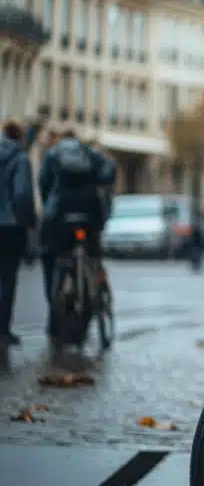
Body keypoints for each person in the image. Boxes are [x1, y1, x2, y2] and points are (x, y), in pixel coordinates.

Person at [38, 127, 117, 336]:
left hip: (62, 211)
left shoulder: (52, 154)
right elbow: (109, 171)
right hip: (88, 208)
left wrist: (49, 209)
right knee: (93, 252)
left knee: (53, 259)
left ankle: (55, 314)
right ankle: (95, 292)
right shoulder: (90, 152)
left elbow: (43, 183)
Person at [0, 121, 37, 345]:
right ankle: (2, 329)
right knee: (7, 278)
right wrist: (29, 222)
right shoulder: (19, 159)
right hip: (10, 227)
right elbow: (22, 195)